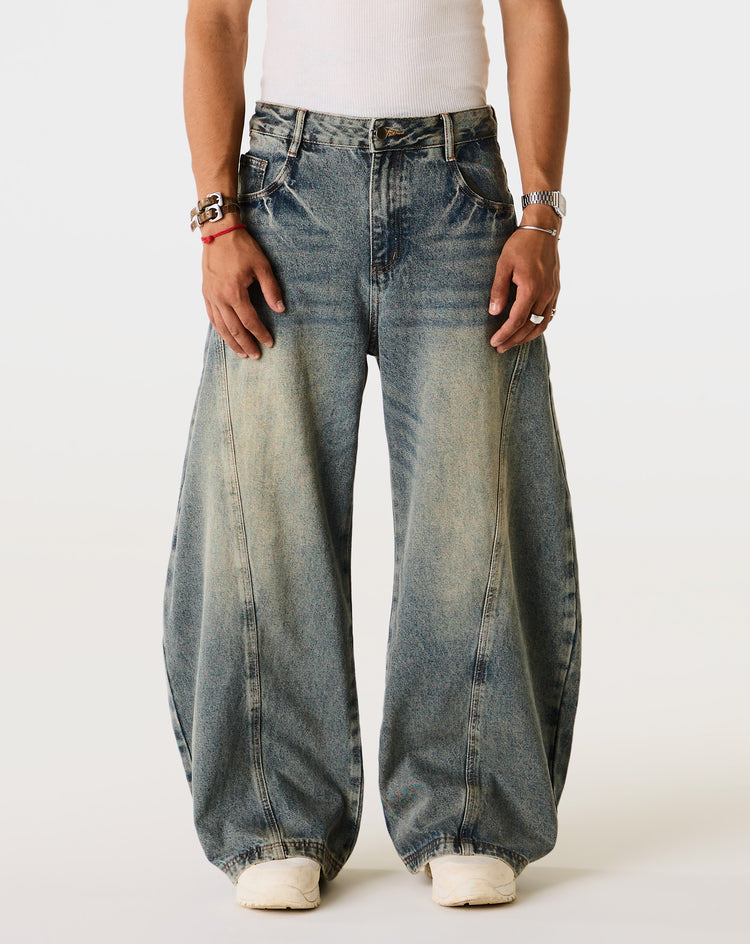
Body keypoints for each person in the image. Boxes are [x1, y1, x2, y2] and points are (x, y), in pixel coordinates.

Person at [163, 0, 582, 911]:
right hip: (288, 193)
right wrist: (217, 219)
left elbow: (533, 11)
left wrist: (542, 212)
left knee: (469, 503)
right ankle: (275, 815)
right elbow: (217, 18)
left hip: (456, 188)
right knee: (268, 503)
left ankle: (469, 809)